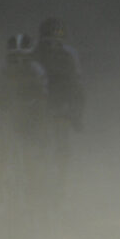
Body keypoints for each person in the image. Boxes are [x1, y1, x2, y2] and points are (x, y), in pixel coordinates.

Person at [0, 33, 49, 217]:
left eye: (23, 58)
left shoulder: (37, 71)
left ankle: (34, 193)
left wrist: (39, 117)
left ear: (30, 57)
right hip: (9, 115)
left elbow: (44, 98)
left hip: (31, 117)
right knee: (0, 153)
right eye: (14, 58)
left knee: (31, 156)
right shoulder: (1, 72)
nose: (18, 63)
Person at [33, 17, 85, 197]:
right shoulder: (34, 54)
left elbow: (77, 87)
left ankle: (61, 183)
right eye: (49, 43)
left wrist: (77, 114)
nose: (52, 47)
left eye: (56, 43)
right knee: (34, 144)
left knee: (62, 146)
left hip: (61, 106)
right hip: (39, 106)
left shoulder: (69, 56)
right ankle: (34, 178)